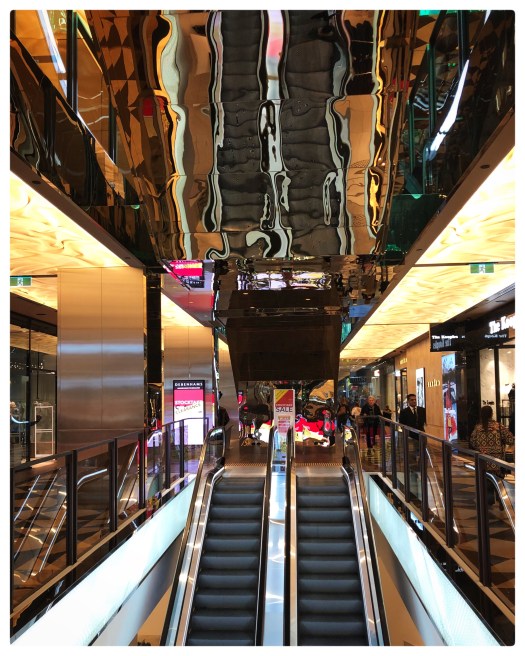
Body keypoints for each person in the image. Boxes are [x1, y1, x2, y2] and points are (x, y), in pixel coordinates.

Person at [470, 404, 514, 477]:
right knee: (497, 482)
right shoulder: (499, 427)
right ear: (492, 414)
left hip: (482, 462)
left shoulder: (477, 428)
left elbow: (472, 442)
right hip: (497, 463)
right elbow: (510, 440)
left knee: (483, 482)